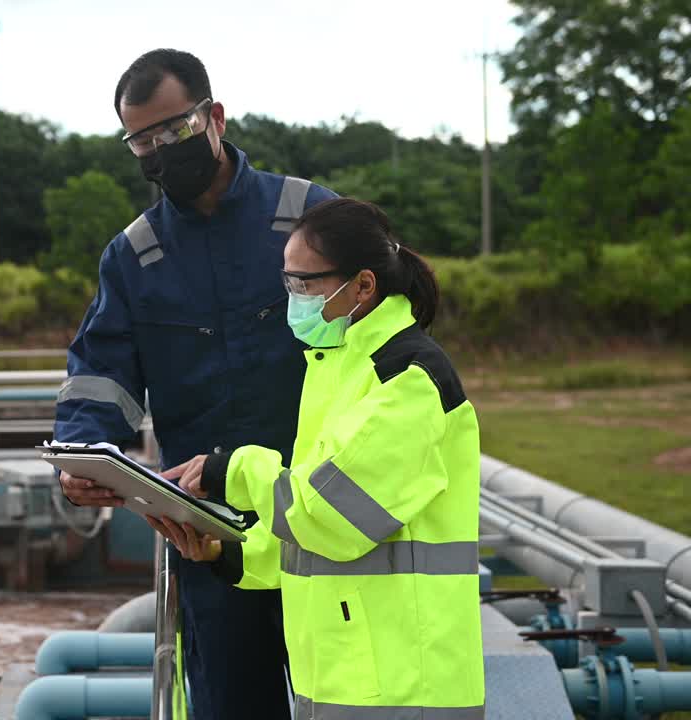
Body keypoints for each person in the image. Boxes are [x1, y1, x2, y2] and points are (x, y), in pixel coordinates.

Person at [54, 48, 337, 718]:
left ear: (215, 117)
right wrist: (82, 455)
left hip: (324, 517)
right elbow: (101, 376)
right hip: (210, 536)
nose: (158, 151)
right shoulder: (134, 257)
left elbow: (380, 339)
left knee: (345, 700)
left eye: (172, 130)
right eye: (141, 141)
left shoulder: (309, 218)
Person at [151, 198, 486, 719]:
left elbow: (330, 517)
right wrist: (227, 550)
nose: (293, 298)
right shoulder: (337, 367)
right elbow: (311, 533)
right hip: (350, 682)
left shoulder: (407, 379)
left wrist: (233, 471)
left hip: (406, 689)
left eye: (304, 283)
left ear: (363, 285)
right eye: (288, 282)